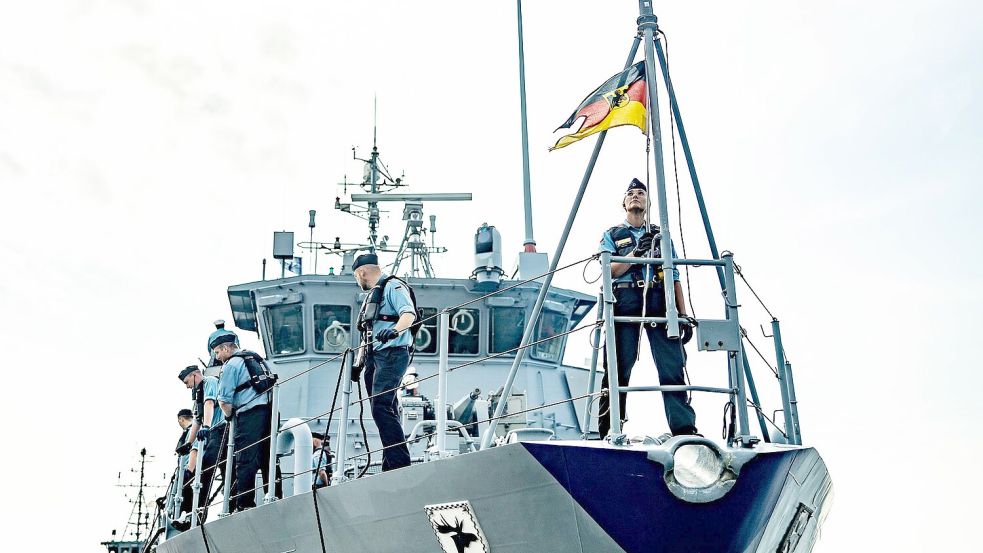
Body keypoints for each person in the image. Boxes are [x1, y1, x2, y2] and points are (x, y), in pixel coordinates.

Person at [597, 178, 699, 439]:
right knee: (618, 365)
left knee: (671, 365)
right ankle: (610, 429)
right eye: (630, 193)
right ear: (623, 203)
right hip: (625, 298)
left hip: (657, 297)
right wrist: (636, 255)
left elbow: (673, 272)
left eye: (641, 193)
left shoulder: (660, 236)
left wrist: (682, 313)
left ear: (648, 202)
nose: (635, 196)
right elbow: (608, 270)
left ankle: (684, 429)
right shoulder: (612, 235)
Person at [351, 253, 414, 471]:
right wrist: (358, 364)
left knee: (381, 406)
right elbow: (367, 332)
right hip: (373, 358)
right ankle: (390, 461)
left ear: (361, 272)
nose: (358, 282)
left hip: (392, 353)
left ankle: (399, 463)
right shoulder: (372, 296)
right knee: (384, 408)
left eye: (356, 277)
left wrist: (394, 331)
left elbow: (408, 314)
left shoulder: (393, 286)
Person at [213, 329, 277, 511]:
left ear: (226, 348)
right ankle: (274, 493)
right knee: (268, 456)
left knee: (245, 458)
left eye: (217, 352)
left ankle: (244, 504)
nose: (217, 357)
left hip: (249, 414)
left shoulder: (231, 365)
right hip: (270, 411)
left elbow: (224, 400)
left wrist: (228, 416)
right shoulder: (257, 359)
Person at [178, 364, 234, 520]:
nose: (187, 386)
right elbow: (197, 420)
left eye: (187, 382)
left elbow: (210, 403)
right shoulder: (198, 395)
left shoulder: (209, 382)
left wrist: (207, 427)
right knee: (212, 471)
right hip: (213, 433)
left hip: (221, 430)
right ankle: (196, 514)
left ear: (195, 375)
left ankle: (200, 514)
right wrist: (188, 444)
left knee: (207, 469)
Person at [172, 408, 196, 530]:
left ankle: (186, 519)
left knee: (188, 496)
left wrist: (189, 470)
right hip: (185, 469)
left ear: (181, 419)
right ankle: (183, 517)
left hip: (190, 469)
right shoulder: (190, 430)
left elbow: (194, 449)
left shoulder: (192, 430)